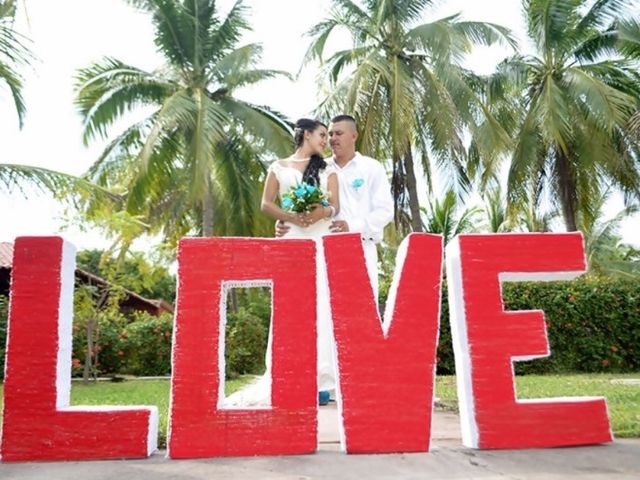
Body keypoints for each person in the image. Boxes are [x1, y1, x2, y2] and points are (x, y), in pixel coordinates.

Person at [223, 118, 340, 408]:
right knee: (290, 305)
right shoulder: (279, 166)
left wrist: (321, 213)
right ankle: (286, 374)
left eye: (328, 136)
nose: (325, 141)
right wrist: (290, 217)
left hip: (320, 238)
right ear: (307, 135)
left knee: (322, 305)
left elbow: (335, 205)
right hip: (291, 237)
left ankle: (322, 381)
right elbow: (267, 203)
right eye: (322, 135)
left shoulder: (328, 169)